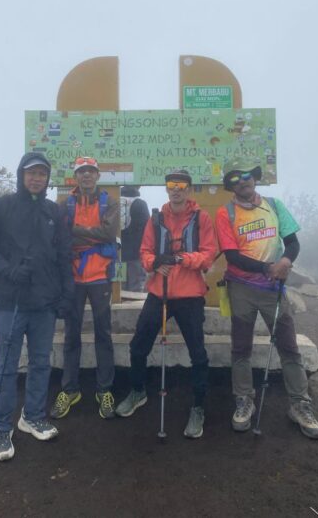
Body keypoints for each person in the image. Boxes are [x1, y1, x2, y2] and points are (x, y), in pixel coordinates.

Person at [214, 157, 318, 438]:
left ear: (255, 178)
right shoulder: (225, 213)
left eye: (247, 176)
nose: (243, 181)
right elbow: (232, 255)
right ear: (230, 185)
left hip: (274, 289)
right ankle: (243, 400)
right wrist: (267, 268)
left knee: (288, 346)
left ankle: (300, 404)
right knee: (241, 347)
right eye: (236, 178)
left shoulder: (274, 206)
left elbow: (292, 242)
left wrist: (285, 262)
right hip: (241, 288)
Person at [0, 153, 73, 461]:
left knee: (41, 362)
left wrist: (66, 294)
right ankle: (1, 427)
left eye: (42, 174)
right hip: (11, 301)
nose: (36, 178)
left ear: (47, 178)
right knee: (6, 366)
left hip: (45, 302)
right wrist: (8, 270)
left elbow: (64, 255)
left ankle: (32, 416)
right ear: (21, 175)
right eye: (31, 173)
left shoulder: (53, 212)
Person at [114, 169, 217, 439]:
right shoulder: (156, 218)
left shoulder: (201, 218)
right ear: (167, 189)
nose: (176, 190)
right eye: (172, 185)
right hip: (159, 292)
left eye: (181, 185)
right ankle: (138, 391)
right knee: (138, 345)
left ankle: (198, 406)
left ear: (189, 189)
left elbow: (208, 254)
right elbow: (145, 252)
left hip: (191, 294)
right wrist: (154, 263)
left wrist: (182, 259)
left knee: (198, 354)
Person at [51, 157, 120, 420]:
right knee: (71, 334)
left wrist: (76, 230)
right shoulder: (65, 204)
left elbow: (108, 234)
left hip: (100, 276)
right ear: (76, 176)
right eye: (82, 172)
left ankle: (105, 390)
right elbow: (61, 236)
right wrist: (92, 233)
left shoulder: (109, 202)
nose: (87, 176)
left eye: (91, 171)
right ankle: (69, 390)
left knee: (104, 333)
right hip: (74, 277)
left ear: (97, 175)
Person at [120, 185, 150, 292]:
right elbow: (148, 229)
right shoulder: (140, 204)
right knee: (136, 289)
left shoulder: (115, 202)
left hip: (117, 255)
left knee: (118, 288)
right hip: (136, 256)